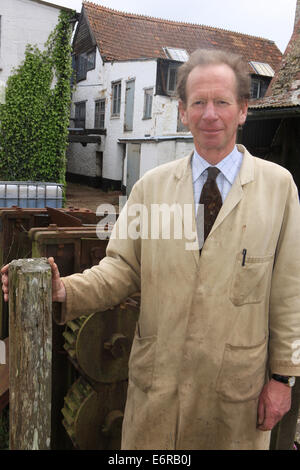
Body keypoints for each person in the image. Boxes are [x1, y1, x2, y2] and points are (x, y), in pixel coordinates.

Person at [2, 49, 300, 450]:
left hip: (234, 395)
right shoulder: (152, 188)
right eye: (198, 102)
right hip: (159, 389)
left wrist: (283, 379)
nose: (210, 114)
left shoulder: (278, 189)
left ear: (243, 110)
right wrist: (65, 290)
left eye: (222, 102)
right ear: (182, 112)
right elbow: (121, 269)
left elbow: (289, 293)